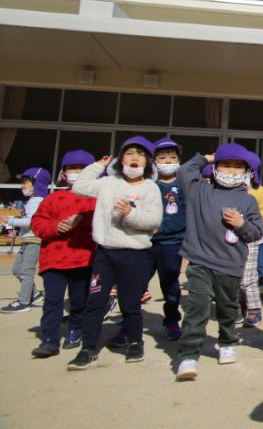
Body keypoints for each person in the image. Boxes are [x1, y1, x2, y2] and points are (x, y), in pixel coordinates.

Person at [66, 137, 163, 370]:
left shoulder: (150, 188)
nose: (135, 158)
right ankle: (88, 348)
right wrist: (98, 165)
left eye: (140, 154)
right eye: (129, 153)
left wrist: (130, 214)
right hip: (105, 254)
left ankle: (135, 342)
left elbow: (153, 220)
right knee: (95, 302)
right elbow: (80, 186)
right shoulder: (108, 183)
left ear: (148, 162)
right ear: (120, 160)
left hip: (135, 255)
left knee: (129, 304)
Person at [174, 144, 263, 381]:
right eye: (225, 165)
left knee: (227, 308)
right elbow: (184, 171)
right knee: (197, 306)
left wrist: (241, 224)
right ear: (215, 168)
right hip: (200, 261)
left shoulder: (248, 200)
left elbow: (255, 233)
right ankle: (188, 355)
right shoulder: (199, 191)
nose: (231, 171)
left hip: (230, 264)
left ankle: (227, 341)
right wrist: (205, 157)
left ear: (247, 172)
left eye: (238, 167)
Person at [28, 150, 96, 357]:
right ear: (63, 173)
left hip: (83, 259)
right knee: (53, 301)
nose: (77, 172)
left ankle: (76, 330)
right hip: (53, 261)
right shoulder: (52, 199)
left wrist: (82, 219)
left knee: (79, 301)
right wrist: (55, 227)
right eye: (72, 168)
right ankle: (50, 339)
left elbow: (103, 223)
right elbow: (37, 224)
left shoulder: (95, 200)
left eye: (83, 169)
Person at [149, 137, 187, 340]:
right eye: (162, 158)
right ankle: (127, 324)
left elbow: (185, 214)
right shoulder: (148, 185)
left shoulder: (182, 186)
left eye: (172, 158)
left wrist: (162, 228)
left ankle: (172, 320)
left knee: (170, 284)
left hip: (172, 243)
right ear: (154, 161)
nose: (167, 162)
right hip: (145, 243)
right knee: (136, 283)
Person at [3, 166, 50, 312]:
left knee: (26, 271)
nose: (22, 185)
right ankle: (34, 294)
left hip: (34, 240)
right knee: (17, 269)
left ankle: (24, 302)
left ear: (37, 183)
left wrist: (10, 220)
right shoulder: (32, 200)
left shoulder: (37, 200)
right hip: (27, 239)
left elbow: (32, 221)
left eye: (25, 182)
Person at [241, 151, 263, 328]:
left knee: (252, 273)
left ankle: (254, 308)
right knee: (233, 277)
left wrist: (247, 215)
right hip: (231, 239)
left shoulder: (260, 191)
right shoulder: (225, 191)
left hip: (254, 238)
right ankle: (237, 308)